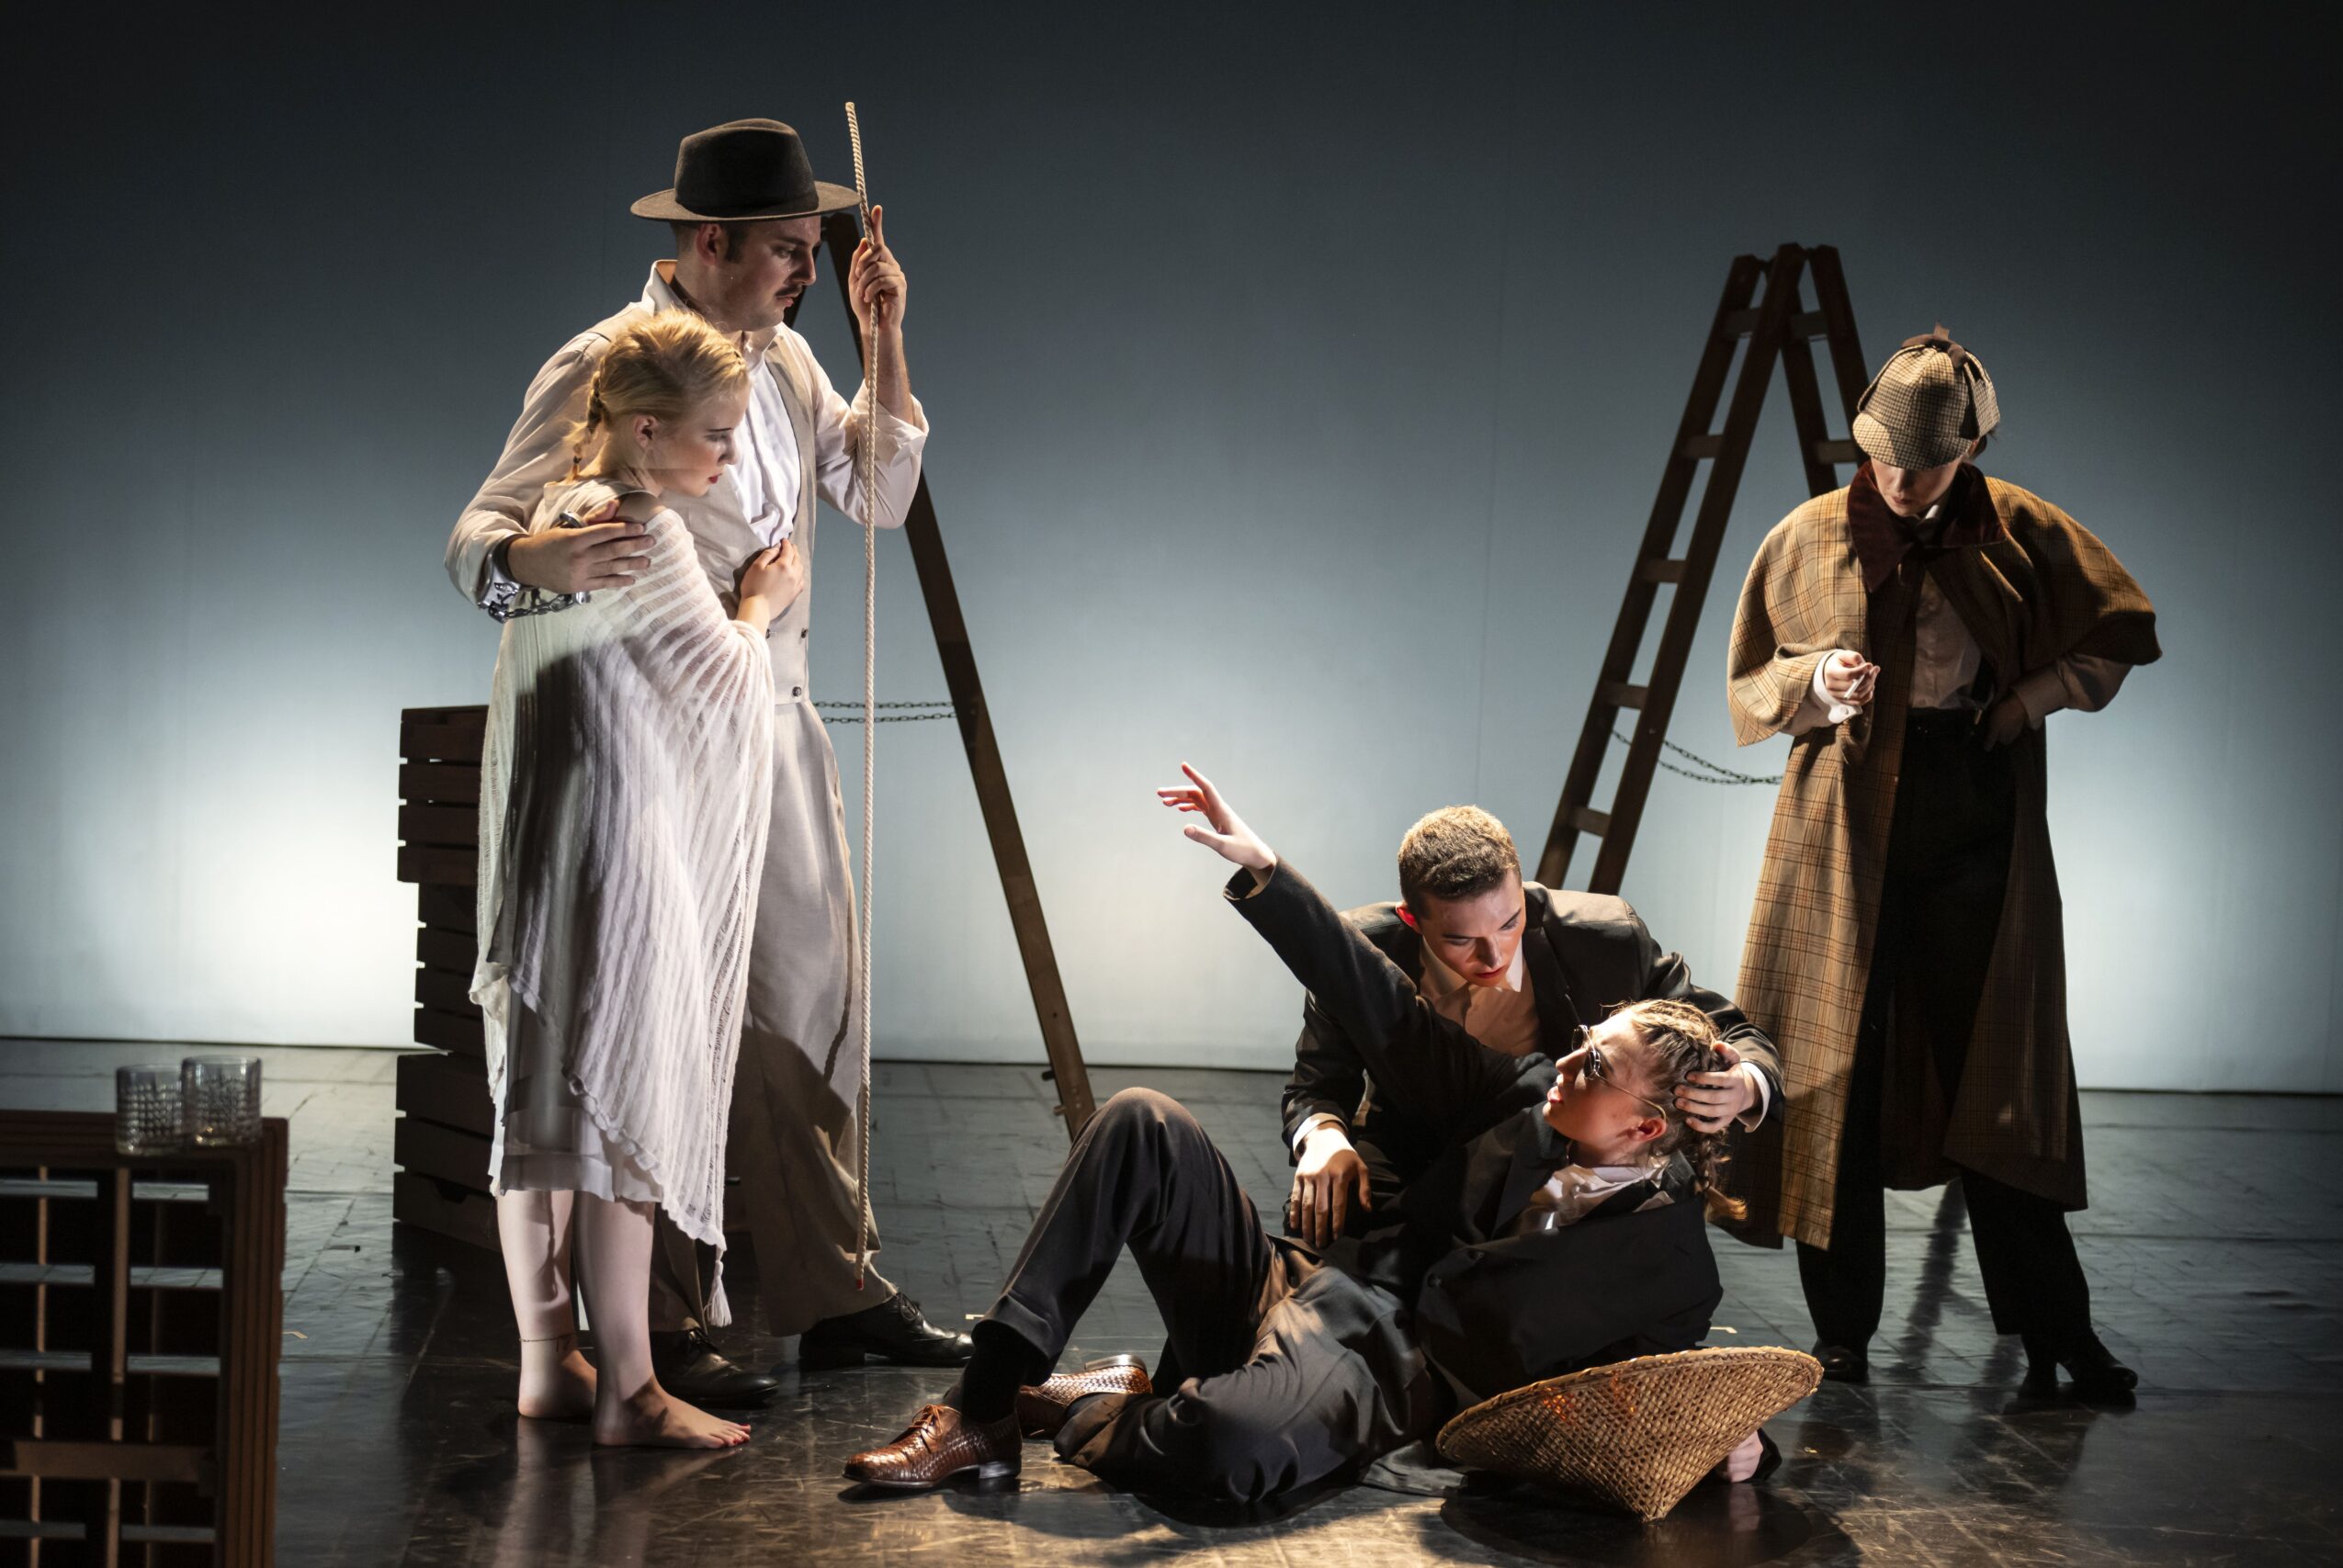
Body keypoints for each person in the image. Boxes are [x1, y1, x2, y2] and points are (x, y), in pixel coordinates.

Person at [841, 766, 1774, 1501]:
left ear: (1648, 1123)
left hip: (1372, 1363)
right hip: (1318, 1269)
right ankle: (983, 1408)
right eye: (1463, 939)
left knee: (1229, 1449)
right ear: (1416, 922)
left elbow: (1662, 1378)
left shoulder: (1666, 1252)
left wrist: (1736, 1445)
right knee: (1139, 1119)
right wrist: (1264, 871)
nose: (1566, 1056)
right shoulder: (1518, 1092)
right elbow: (1372, 1010)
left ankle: (1107, 1405)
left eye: (1594, 1063)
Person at [446, 118, 968, 1399]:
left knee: (806, 1009)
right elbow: (478, 536)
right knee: (664, 1012)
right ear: (710, 242)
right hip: (663, 743)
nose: (806, 270)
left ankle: (832, 1288)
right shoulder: (611, 360)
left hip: (772, 723)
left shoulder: (790, 359)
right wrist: (531, 558)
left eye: (814, 248)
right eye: (789, 248)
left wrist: (883, 337)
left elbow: (878, 492)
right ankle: (661, 1325)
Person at [1726, 327, 2161, 1399]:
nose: (1899, 479)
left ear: (1969, 450)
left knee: (1997, 1080)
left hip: (1973, 809)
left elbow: (2119, 631)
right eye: (1881, 456)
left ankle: (2057, 1330)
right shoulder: (1808, 536)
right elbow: (1752, 682)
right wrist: (1818, 685)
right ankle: (1840, 1335)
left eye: (1923, 463)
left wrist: (2026, 701)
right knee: (1836, 1071)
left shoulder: (2019, 529)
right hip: (1843, 828)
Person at [472, 310, 796, 1448]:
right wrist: (757, 608)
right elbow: (721, 683)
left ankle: (544, 1364)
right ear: (648, 430)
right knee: (626, 1117)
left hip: (548, 849)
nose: (727, 459)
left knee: (544, 1111)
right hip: (623, 855)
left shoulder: (560, 518)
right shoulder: (643, 532)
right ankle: (631, 1390)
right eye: (715, 434)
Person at [1281, 804, 1781, 1248]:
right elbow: (1317, 1084)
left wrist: (1744, 1085)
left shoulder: (1604, 936)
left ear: (1521, 892)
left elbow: (1733, 1031)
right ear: (1412, 919)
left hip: (1560, 1146)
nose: (1493, 956)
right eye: (1461, 940)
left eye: (1509, 923)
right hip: (1415, 1143)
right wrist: (1324, 1136)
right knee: (1333, 1231)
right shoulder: (1363, 949)